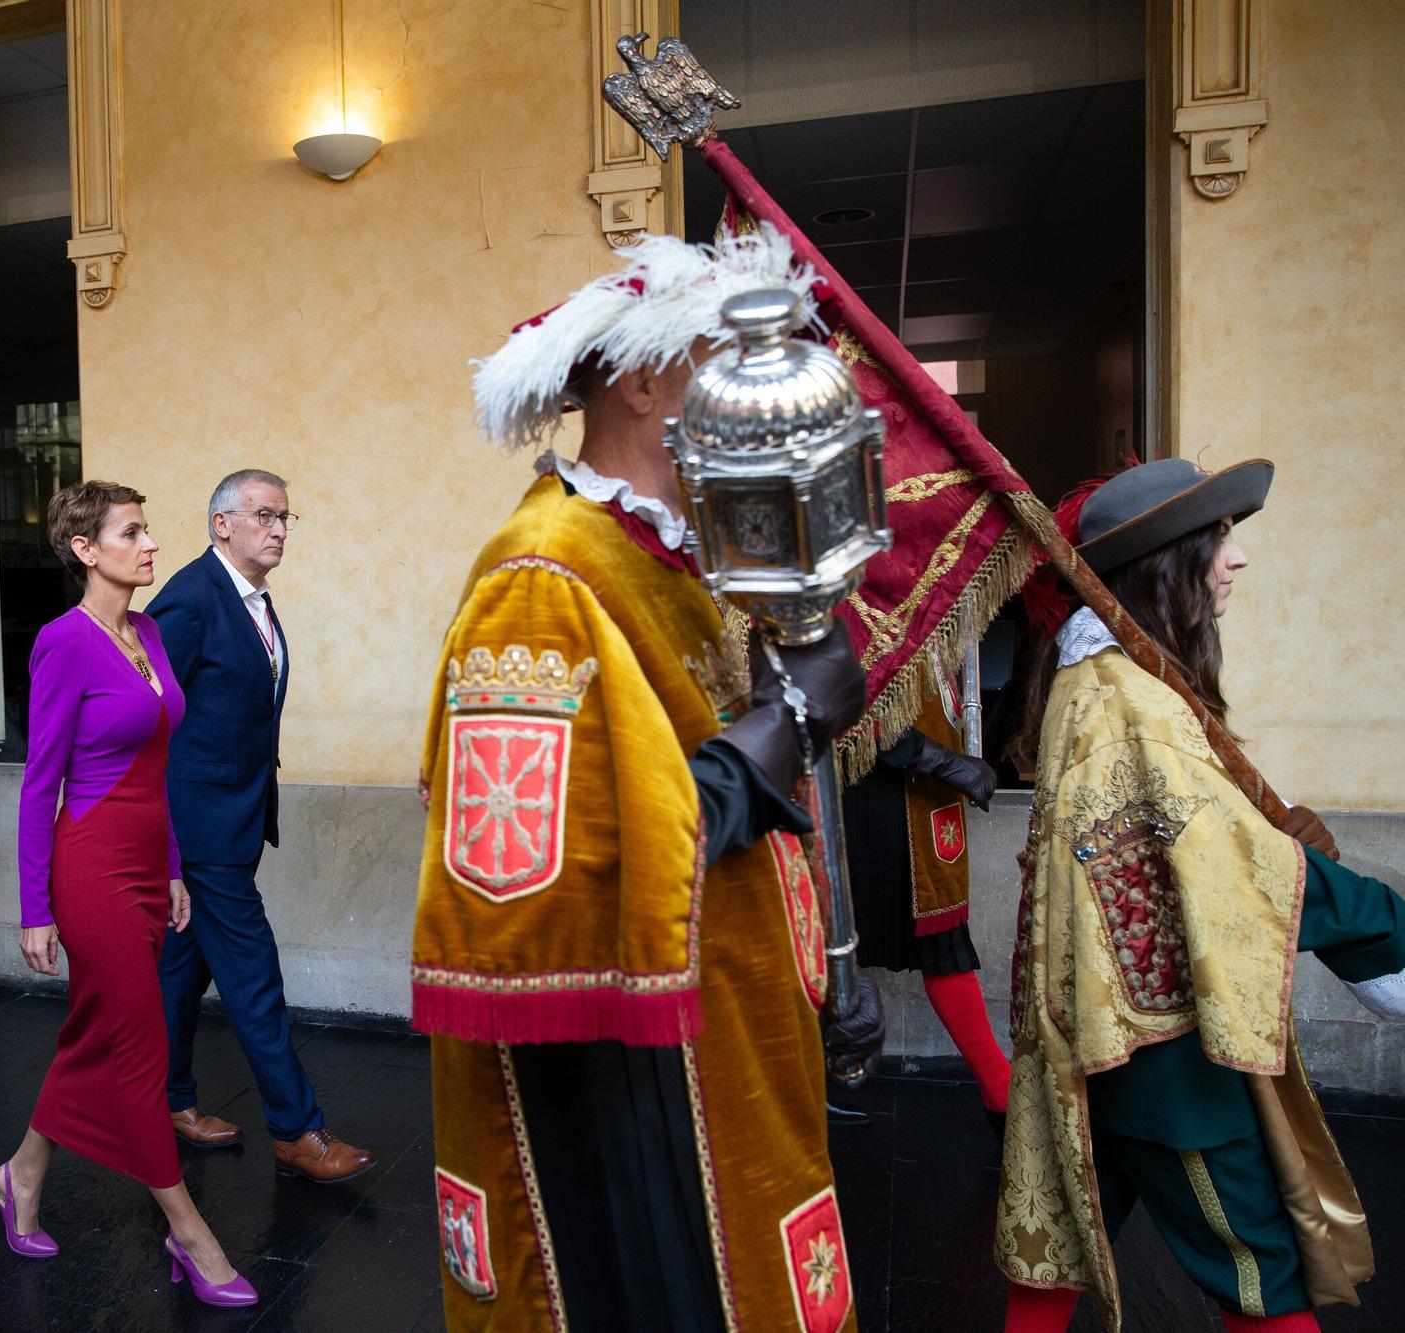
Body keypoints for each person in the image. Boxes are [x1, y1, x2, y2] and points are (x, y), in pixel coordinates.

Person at [412, 230, 883, 1331]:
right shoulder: (542, 568)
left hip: (723, 992)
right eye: (717, 354)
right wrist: (781, 726)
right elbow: (535, 858)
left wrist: (828, 956)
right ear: (639, 381)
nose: (743, 384)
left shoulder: (686, 551)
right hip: (631, 1047)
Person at [996, 458, 1405, 1333]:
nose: (1237, 559)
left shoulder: (1111, 687)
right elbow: (1225, 873)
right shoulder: (1126, 703)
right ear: (1167, 563)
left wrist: (1263, 838)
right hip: (1164, 1054)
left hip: (1104, 1036)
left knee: (1055, 1249)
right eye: (1217, 538)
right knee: (1262, 1269)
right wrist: (1374, 923)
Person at [0, 480, 255, 1308]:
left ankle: (19, 1175)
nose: (150, 544)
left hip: (145, 862)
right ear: (85, 549)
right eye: (132, 532)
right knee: (139, 1047)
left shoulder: (146, 630)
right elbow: (41, 784)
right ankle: (189, 1230)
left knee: (98, 1032)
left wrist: (171, 864)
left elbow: (157, 763)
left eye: (147, 529)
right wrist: (35, 905)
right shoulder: (64, 643)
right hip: (91, 864)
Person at [146, 468, 376, 1183]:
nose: (279, 529)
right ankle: (296, 1129)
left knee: (179, 976)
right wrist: (171, 845)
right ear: (221, 523)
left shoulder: (251, 600)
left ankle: (166, 1101)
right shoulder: (188, 599)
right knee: (254, 979)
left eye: (286, 517)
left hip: (234, 822)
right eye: (265, 515)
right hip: (202, 831)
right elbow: (149, 717)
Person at [842, 680, 1011, 1125]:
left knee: (944, 946)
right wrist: (942, 761)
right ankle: (1000, 1093)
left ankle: (1000, 1091)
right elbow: (851, 705)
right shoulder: (862, 610)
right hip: (875, 802)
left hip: (921, 805)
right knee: (826, 950)